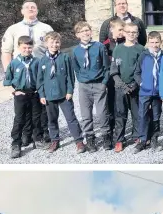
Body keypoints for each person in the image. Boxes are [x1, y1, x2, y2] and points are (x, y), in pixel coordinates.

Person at [37, 32, 86, 154]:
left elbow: (70, 76)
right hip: (49, 95)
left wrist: (70, 91)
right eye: (52, 42)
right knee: (52, 119)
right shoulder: (42, 60)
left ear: (60, 43)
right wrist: (42, 95)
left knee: (71, 118)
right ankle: (55, 140)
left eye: (57, 42)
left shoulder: (65, 57)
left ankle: (79, 141)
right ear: (46, 44)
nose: (54, 45)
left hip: (64, 95)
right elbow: (40, 80)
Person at [72, 21, 111, 151]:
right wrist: (81, 80)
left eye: (87, 30)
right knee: (86, 114)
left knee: (102, 113)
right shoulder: (75, 51)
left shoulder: (99, 46)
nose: (85, 33)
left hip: (99, 84)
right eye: (82, 31)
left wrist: (104, 82)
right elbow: (76, 69)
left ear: (91, 32)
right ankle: (90, 137)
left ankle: (106, 135)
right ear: (78, 35)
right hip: (84, 86)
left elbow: (106, 66)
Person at [3, 35, 42, 157]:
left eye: (29, 47)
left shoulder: (37, 62)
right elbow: (7, 80)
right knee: (20, 119)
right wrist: (14, 91)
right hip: (20, 94)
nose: (27, 50)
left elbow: (41, 78)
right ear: (19, 47)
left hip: (34, 93)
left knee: (36, 117)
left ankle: (36, 139)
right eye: (24, 47)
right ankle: (16, 143)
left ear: (33, 47)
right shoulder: (14, 63)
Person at [110, 21, 143, 151]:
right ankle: (119, 139)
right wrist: (122, 85)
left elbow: (142, 70)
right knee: (120, 113)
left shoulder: (141, 49)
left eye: (134, 32)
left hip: (135, 87)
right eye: (128, 32)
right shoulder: (118, 49)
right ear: (123, 33)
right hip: (120, 88)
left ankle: (137, 135)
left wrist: (135, 85)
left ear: (137, 34)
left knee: (136, 113)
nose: (131, 34)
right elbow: (114, 70)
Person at [134, 31, 163, 152]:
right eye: (152, 42)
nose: (154, 45)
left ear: (161, 42)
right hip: (145, 91)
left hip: (158, 92)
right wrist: (142, 83)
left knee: (156, 115)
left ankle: (154, 139)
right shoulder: (144, 55)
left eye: (157, 42)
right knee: (142, 114)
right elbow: (137, 72)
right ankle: (142, 140)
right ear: (148, 42)